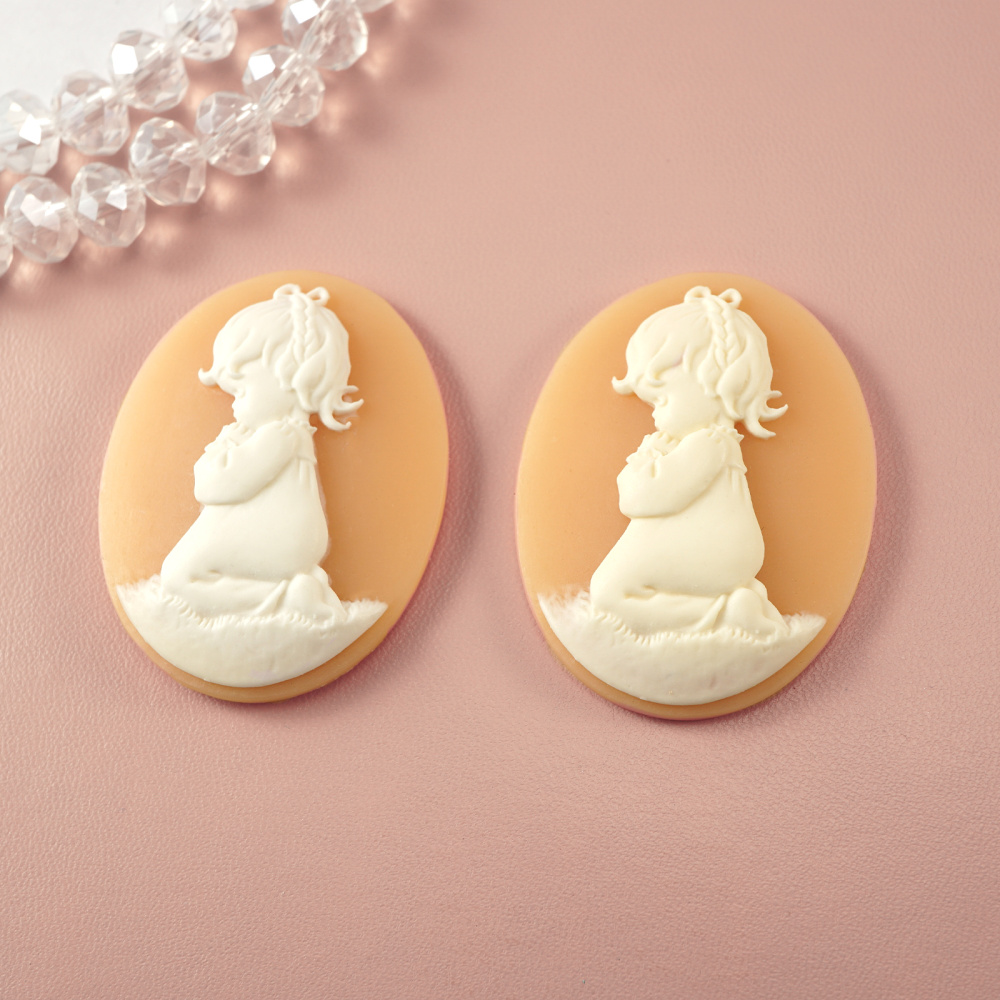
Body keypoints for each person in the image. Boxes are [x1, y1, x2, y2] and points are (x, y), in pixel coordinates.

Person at [588, 286, 789, 637]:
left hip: (716, 552)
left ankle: (726, 614)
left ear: (714, 383)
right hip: (716, 549)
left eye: (662, 401)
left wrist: (644, 460)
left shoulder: (708, 444)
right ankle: (734, 606)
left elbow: (641, 499)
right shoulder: (712, 444)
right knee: (612, 588)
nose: (655, 416)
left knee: (610, 593)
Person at [159, 284, 360, 621]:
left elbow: (216, 487)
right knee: (183, 571)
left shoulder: (279, 437)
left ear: (292, 377)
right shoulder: (286, 435)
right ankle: (296, 589)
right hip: (285, 536)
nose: (234, 406)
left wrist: (220, 453)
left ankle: (285, 598)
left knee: (179, 577)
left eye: (241, 391)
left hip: (279, 537)